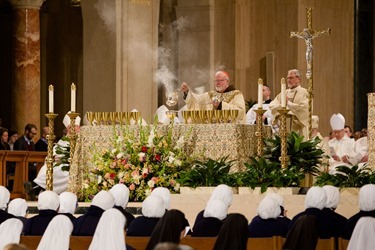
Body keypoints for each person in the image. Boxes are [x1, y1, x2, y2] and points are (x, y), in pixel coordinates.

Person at [32, 114, 81, 195]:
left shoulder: (82, 139)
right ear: (67, 129)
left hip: (74, 166)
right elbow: (54, 152)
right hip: (63, 164)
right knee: (47, 167)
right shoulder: (64, 139)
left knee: (61, 172)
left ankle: (39, 187)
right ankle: (39, 187)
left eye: (74, 126)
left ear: (79, 128)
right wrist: (55, 158)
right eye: (69, 127)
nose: (72, 129)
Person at [180, 71, 246, 123]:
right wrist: (187, 92)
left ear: (227, 81)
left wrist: (220, 105)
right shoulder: (210, 95)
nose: (218, 83)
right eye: (216, 81)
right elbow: (197, 101)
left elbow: (240, 112)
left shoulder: (236, 94)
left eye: (221, 80)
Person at [269, 69, 309, 139]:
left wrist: (289, 104)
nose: (288, 80)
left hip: (298, 129)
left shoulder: (304, 92)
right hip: (284, 128)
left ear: (298, 79)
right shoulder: (283, 93)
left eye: (291, 78)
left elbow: (305, 108)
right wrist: (281, 106)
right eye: (287, 78)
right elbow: (272, 106)